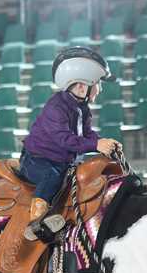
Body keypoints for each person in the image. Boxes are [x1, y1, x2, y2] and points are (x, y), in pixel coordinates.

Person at [19, 46, 122, 242]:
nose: (100, 89)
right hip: (37, 160)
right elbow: (64, 139)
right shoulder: (56, 108)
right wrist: (96, 145)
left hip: (61, 160)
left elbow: (87, 134)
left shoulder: (82, 108)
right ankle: (36, 221)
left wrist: (102, 142)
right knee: (51, 176)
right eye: (97, 84)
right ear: (82, 86)